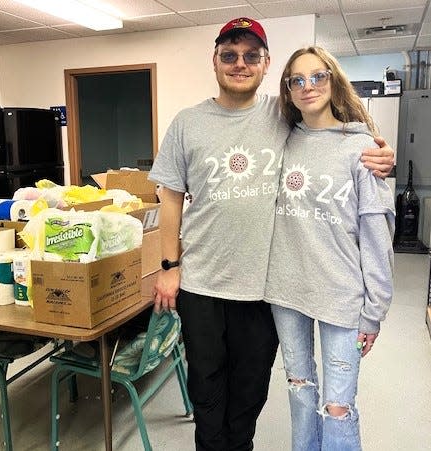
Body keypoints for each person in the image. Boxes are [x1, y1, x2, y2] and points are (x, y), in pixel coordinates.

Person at [148, 18, 394, 451]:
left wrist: (376, 149)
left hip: (263, 288)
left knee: (249, 396)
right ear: (215, 61)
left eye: (250, 57)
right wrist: (169, 266)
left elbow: (330, 130)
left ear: (265, 66)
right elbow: (170, 200)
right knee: (207, 394)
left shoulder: (283, 115)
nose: (239, 64)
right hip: (202, 284)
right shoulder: (187, 123)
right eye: (229, 55)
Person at [264, 46, 396, 451]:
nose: (308, 87)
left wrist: (374, 312)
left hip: (341, 296)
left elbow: (376, 233)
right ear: (287, 90)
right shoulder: (281, 142)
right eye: (297, 80)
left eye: (317, 76)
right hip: (286, 292)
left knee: (337, 406)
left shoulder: (363, 150)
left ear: (333, 79)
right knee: (300, 391)